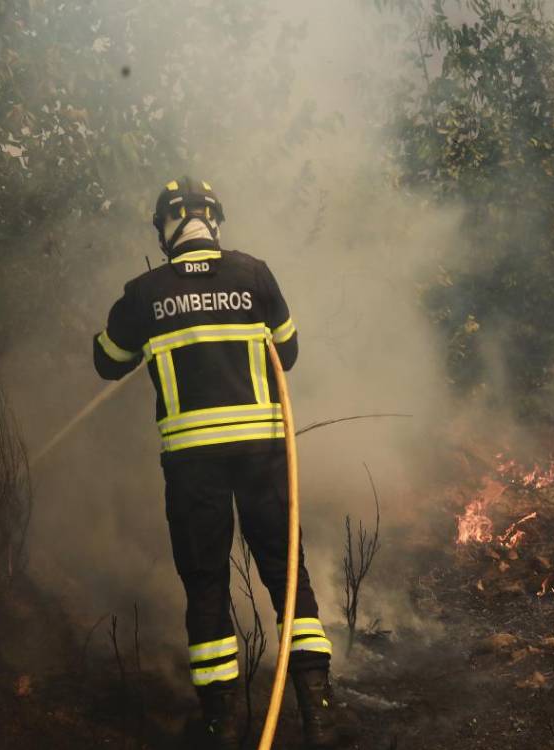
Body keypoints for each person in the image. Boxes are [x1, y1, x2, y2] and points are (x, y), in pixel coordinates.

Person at [93, 177, 338, 749]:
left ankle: (221, 724)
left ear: (166, 228)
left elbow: (107, 361)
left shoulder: (144, 293)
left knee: (206, 585)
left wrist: (145, 329)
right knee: (286, 574)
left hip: (192, 465)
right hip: (263, 456)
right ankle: (320, 713)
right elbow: (288, 353)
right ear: (214, 221)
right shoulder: (254, 275)